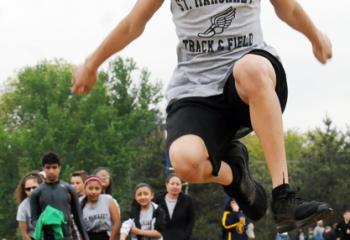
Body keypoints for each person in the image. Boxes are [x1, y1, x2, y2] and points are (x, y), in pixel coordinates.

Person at [71, 0, 333, 232]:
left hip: (250, 80)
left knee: (250, 68)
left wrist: (316, 36)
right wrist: (92, 63)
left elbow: (288, 8)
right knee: (186, 163)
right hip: (195, 88)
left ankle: (283, 195)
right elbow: (133, 24)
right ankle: (236, 176)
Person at [30, 152, 88, 240]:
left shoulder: (69, 189)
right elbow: (33, 219)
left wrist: (86, 238)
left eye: (54, 167)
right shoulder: (37, 193)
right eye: (48, 168)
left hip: (67, 237)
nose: (51, 171)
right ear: (43, 169)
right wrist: (43, 220)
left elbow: (78, 218)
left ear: (59, 168)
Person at [153, 174, 195, 240]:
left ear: (181, 186)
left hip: (180, 237)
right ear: (167, 185)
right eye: (172, 184)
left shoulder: (187, 200)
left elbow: (191, 221)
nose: (175, 186)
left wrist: (186, 236)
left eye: (178, 184)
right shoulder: (157, 199)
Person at [81, 176, 120, 240]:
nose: (94, 192)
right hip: (88, 236)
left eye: (97, 188)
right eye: (90, 188)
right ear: (85, 189)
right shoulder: (80, 202)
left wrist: (111, 238)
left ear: (101, 189)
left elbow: (117, 222)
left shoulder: (108, 199)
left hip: (106, 235)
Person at [15, 171, 44, 240]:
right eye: (28, 189)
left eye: (34, 187)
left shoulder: (51, 200)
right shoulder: (23, 207)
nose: (31, 191)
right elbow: (24, 233)